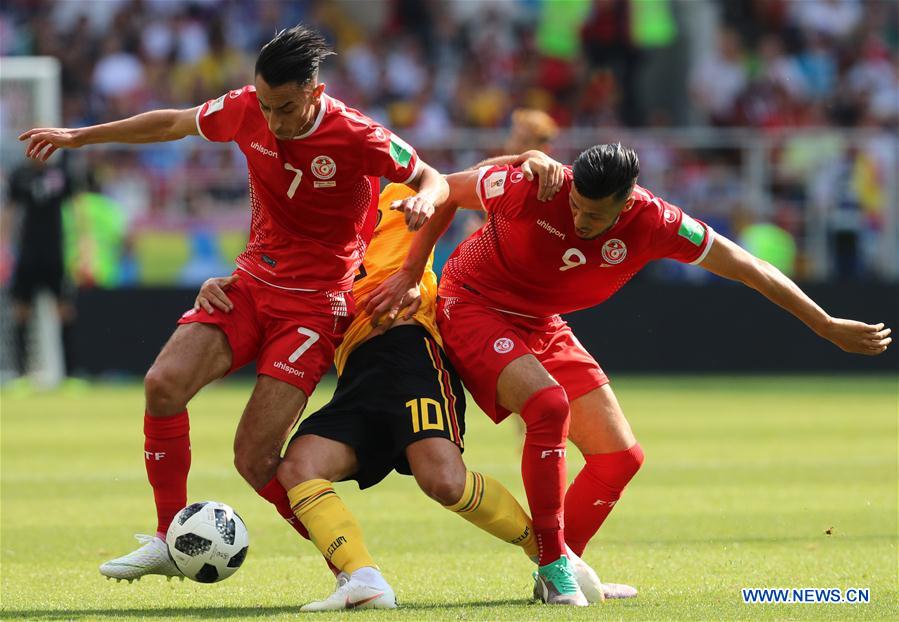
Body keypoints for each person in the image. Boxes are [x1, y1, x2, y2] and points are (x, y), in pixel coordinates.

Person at [367, 143, 893, 605]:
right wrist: (413, 272)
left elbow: (744, 265)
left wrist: (822, 323)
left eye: (594, 216)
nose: (580, 220)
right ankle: (554, 565)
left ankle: (567, 565)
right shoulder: (540, 182)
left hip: (542, 324)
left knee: (620, 458)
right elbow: (447, 190)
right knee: (548, 406)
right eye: (576, 207)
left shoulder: (656, 222)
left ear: (627, 201)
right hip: (473, 301)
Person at [19, 24, 448, 581]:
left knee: (254, 459)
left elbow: (432, 178)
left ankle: (355, 571)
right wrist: (81, 137)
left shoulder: (357, 135)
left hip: (316, 306)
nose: (271, 120)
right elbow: (174, 122)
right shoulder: (246, 107)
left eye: (285, 107)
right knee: (162, 384)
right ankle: (168, 534)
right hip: (249, 285)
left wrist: (423, 204)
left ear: (314, 93)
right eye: (265, 105)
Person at [2, 156, 77, 387]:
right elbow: (10, 211)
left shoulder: (62, 173)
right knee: (21, 311)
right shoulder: (20, 175)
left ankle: (69, 375)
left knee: (64, 310)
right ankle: (21, 374)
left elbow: (74, 209)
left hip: (55, 253)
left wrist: (82, 245)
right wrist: (4, 246)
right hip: (27, 254)